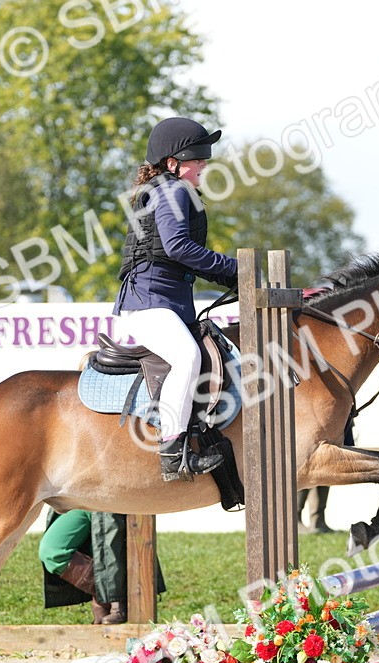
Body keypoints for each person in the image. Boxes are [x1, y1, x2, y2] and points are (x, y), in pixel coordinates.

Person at [115, 117, 238, 482]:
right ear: (173, 163)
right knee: (188, 355)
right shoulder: (172, 191)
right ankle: (172, 452)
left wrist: (233, 276)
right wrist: (235, 268)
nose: (205, 164)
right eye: (198, 158)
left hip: (164, 301)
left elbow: (184, 255)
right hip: (148, 303)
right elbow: (178, 247)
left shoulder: (172, 190)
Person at [39, 510, 165, 624]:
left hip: (110, 500)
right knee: (52, 550)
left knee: (111, 545)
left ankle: (115, 599)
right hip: (78, 497)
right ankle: (107, 598)